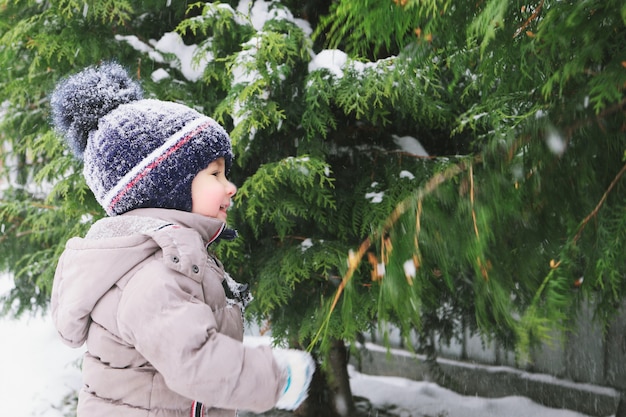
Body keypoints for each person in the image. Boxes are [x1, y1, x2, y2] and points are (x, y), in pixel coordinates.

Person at [49, 62, 314, 417]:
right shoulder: (152, 275)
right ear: (166, 187)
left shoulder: (166, 259)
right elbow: (195, 361)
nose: (230, 187)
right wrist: (276, 376)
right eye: (215, 173)